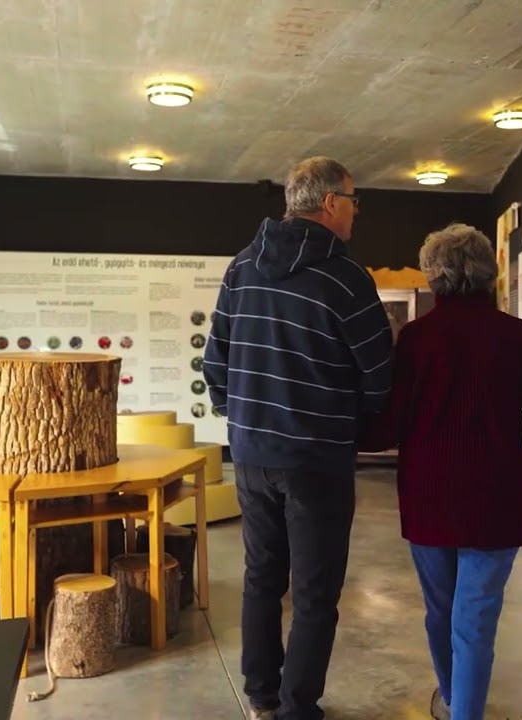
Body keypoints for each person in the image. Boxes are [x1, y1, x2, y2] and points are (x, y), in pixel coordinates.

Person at [202, 156, 394, 720]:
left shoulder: (241, 268)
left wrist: (242, 420)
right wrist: (353, 423)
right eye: (354, 201)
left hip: (251, 455)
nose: (356, 212)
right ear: (331, 202)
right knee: (314, 593)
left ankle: (262, 693)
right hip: (317, 460)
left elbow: (215, 361)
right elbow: (379, 373)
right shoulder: (347, 278)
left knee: (262, 577)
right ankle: (296, 709)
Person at [359, 222, 522, 720]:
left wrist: (336, 430)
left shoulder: (416, 338)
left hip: (428, 498)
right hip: (497, 498)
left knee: (440, 611)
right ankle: (462, 711)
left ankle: (452, 698)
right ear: (488, 272)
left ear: (433, 275)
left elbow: (390, 426)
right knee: (475, 620)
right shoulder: (513, 334)